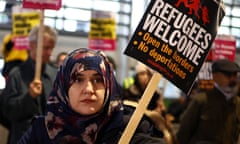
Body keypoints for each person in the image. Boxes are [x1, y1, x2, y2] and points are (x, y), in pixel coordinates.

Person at [18, 48, 165, 144]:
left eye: (98, 80)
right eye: (78, 79)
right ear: (64, 86)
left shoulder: (129, 128)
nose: (88, 89)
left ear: (109, 85)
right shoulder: (42, 131)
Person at [0, 25, 58, 144]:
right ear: (32, 45)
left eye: (51, 48)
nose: (49, 53)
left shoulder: (54, 74)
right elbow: (7, 112)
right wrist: (29, 97)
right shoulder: (16, 75)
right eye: (45, 48)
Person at [177, 59, 240, 144]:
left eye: (235, 75)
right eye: (228, 75)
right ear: (215, 76)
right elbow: (184, 132)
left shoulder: (237, 103)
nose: (233, 79)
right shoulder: (202, 100)